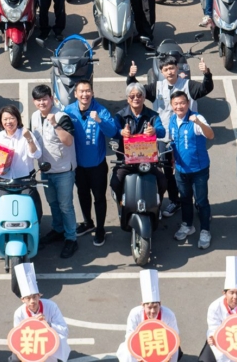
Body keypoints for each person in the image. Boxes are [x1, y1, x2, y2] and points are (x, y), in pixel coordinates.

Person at [127, 56, 213, 218]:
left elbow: (205, 88)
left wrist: (206, 73)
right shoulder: (156, 87)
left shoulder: (188, 85)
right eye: (166, 69)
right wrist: (131, 77)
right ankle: (175, 200)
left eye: (172, 68)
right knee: (168, 172)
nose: (169, 72)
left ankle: (199, 202)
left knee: (189, 170)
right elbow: (136, 93)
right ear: (161, 71)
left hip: (185, 137)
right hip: (163, 137)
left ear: (177, 68)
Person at [65, 80, 119, 247]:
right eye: (81, 91)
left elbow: (113, 132)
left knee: (99, 197)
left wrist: (100, 121)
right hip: (78, 165)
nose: (85, 94)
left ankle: (100, 229)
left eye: (88, 91)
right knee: (82, 194)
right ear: (75, 94)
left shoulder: (100, 111)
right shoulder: (68, 111)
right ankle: (88, 222)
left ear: (92, 93)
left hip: (97, 165)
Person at [30, 85, 78, 258]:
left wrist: (55, 125)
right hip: (46, 170)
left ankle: (71, 238)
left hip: (63, 170)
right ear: (34, 101)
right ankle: (58, 230)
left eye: (45, 99)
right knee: (53, 203)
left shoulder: (62, 117)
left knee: (65, 206)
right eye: (38, 100)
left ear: (51, 99)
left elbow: (68, 141)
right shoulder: (35, 116)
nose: (42, 103)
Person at [164, 91, 215, 249]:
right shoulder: (172, 120)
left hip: (199, 169)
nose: (179, 106)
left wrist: (199, 123)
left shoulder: (197, 119)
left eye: (182, 103)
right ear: (172, 106)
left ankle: (205, 231)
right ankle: (187, 225)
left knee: (201, 201)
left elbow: (211, 135)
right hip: (181, 170)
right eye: (176, 104)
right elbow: (174, 143)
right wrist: (174, 163)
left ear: (188, 103)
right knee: (185, 199)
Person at [111, 82, 168, 207]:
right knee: (115, 182)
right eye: (132, 96)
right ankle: (121, 204)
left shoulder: (153, 115)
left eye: (139, 95)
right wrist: (121, 132)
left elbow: (162, 131)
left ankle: (157, 204)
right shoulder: (120, 116)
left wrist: (154, 130)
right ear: (128, 99)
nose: (136, 98)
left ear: (144, 97)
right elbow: (113, 131)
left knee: (163, 182)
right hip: (126, 161)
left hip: (148, 160)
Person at [199, 257, 237, 362]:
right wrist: (211, 337)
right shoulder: (214, 307)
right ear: (224, 293)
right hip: (221, 341)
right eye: (231, 293)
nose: (235, 297)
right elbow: (213, 329)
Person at [0, 105, 44, 224]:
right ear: (0, 121)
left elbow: (36, 154)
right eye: (5, 119)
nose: (8, 122)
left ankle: (35, 230)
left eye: (12, 118)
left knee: (31, 210)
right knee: (2, 211)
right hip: (4, 181)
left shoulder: (26, 134)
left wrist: (29, 138)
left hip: (25, 181)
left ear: (17, 119)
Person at [115, 270, 181, 362]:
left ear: (160, 304)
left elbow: (174, 336)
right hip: (141, 346)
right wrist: (138, 355)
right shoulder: (135, 314)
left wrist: (167, 357)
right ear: (143, 305)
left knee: (175, 351)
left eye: (155, 307)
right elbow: (130, 336)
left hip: (162, 345)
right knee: (127, 351)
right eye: (149, 307)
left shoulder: (169, 315)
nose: (153, 311)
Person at [11, 263, 70, 362]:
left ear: (39, 295)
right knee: (14, 358)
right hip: (30, 342)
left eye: (34, 297)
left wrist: (48, 325)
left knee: (60, 342)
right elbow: (18, 337)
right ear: (22, 300)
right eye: (28, 298)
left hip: (49, 339)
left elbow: (64, 330)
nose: (32, 301)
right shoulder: (19, 313)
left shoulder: (51, 306)